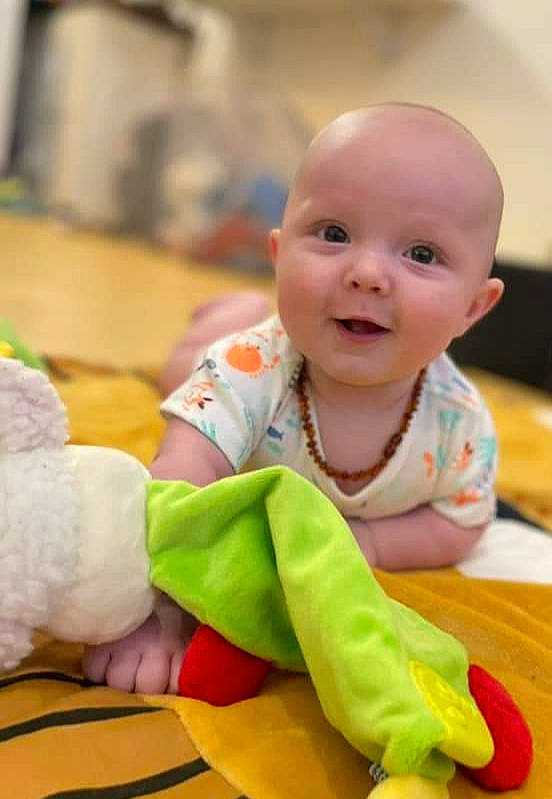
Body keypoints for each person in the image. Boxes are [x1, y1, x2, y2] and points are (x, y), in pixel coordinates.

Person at [83, 103, 505, 694]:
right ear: (279, 257)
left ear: (473, 307)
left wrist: (371, 542)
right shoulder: (249, 371)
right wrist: (156, 613)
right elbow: (177, 483)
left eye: (422, 255)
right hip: (237, 363)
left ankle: (237, 310)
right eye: (334, 235)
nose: (367, 274)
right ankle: (229, 317)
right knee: (182, 372)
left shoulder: (458, 427)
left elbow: (463, 521)